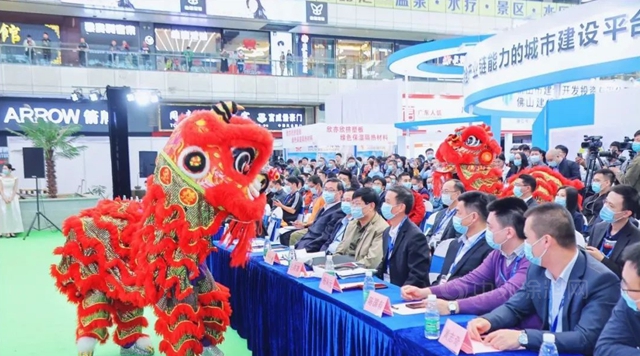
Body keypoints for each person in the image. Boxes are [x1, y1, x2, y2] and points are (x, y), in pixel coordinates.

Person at [466, 204, 620, 355]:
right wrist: (488, 321)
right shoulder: (538, 268)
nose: (524, 244)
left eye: (527, 238)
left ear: (546, 241)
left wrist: (523, 337)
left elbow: (585, 338)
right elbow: (515, 307)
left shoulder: (601, 280)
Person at [401, 198, 540, 328]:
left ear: (509, 232)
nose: (487, 232)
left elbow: (504, 294)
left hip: (523, 329)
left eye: (490, 228)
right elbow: (469, 281)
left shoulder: (530, 260)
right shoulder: (497, 254)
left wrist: (453, 306)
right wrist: (425, 292)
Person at [375, 186, 430, 288]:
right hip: (386, 285)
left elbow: (417, 275)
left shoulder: (415, 236)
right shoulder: (387, 231)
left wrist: (400, 293)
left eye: (388, 202)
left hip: (404, 290)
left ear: (400, 207)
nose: (384, 205)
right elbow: (385, 262)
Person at [434, 191, 493, 285]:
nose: (455, 216)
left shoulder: (489, 249)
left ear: (473, 217)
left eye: (458, 212)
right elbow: (441, 278)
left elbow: (480, 287)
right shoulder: (455, 244)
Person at [595, 242, 640, 355]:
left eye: (628, 287)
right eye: (623, 282)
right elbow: (604, 348)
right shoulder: (628, 302)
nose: (623, 290)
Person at [587, 184, 640, 278]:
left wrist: (602, 259)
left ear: (626, 213)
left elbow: (628, 275)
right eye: (606, 202)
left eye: (611, 206)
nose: (605, 207)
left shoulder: (636, 239)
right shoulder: (598, 228)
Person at [335, 188, 387, 268]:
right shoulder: (352, 224)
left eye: (357, 204)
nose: (353, 207)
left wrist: (346, 268)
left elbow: (371, 261)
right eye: (352, 204)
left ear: (371, 206)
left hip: (361, 272)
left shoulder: (382, 228)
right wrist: (333, 264)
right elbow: (340, 250)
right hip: (342, 268)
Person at [294, 179, 346, 252]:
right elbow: (312, 228)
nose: (327, 192)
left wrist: (304, 250)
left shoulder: (339, 212)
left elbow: (325, 238)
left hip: (312, 248)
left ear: (340, 193)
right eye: (325, 189)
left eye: (331, 190)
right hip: (305, 242)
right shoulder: (324, 207)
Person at [425, 179, 464, 246]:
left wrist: (436, 245)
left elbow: (457, 240)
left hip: (443, 250)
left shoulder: (462, 215)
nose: (443, 194)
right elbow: (429, 233)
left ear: (457, 194)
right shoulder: (440, 213)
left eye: (446, 191)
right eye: (442, 191)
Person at [322, 188, 356, 253]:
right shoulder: (341, 221)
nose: (345, 203)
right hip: (327, 254)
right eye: (343, 200)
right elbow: (329, 241)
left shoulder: (356, 224)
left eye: (348, 200)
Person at [583, 169, 615, 234]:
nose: (594, 183)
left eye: (597, 181)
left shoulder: (611, 201)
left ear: (607, 183)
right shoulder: (590, 199)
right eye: (593, 180)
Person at [0, 164, 23, 238]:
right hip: (3, 197)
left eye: (5, 168)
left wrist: (11, 198)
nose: (4, 170)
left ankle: (12, 231)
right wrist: (4, 197)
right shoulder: (1, 178)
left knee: (12, 214)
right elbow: (1, 189)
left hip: (12, 197)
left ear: (10, 169)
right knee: (4, 214)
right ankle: (5, 231)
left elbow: (15, 189)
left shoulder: (15, 178)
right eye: (3, 168)